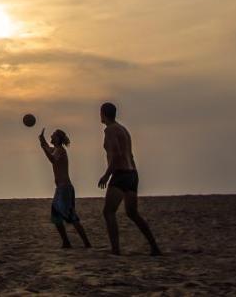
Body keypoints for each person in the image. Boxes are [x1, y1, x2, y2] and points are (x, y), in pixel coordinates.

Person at [96, 101, 161, 256]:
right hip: (132, 174)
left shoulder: (110, 130)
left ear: (103, 113)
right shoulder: (123, 129)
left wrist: (106, 175)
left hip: (120, 174)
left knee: (108, 212)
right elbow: (129, 155)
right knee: (132, 213)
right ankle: (154, 247)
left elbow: (117, 155)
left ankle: (115, 250)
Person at [38, 127, 91, 248]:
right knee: (66, 216)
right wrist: (42, 141)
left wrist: (43, 146)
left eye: (53, 135)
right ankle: (74, 242)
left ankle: (75, 242)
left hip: (64, 189)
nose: (51, 137)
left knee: (64, 217)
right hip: (63, 188)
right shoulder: (56, 149)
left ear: (58, 139)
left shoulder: (60, 150)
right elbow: (48, 148)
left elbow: (52, 159)